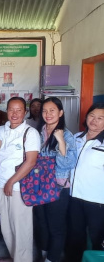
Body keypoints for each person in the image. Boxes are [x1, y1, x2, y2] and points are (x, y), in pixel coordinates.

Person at [0, 96, 40, 262]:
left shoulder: (30, 133)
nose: (15, 113)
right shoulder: (1, 130)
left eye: (19, 110)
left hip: (20, 187)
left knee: (21, 227)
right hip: (2, 185)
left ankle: (23, 259)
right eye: (11, 109)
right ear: (7, 110)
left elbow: (31, 162)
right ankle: (15, 257)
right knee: (7, 226)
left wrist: (11, 181)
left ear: (25, 112)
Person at [33, 97, 77, 262]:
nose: (48, 114)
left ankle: (52, 258)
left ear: (60, 112)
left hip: (58, 188)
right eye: (45, 110)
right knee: (41, 223)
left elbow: (68, 164)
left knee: (56, 227)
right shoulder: (37, 133)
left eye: (52, 110)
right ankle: (45, 253)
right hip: (38, 186)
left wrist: (61, 141)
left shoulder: (67, 135)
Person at [65, 102, 104, 262]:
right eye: (92, 116)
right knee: (75, 236)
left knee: (97, 239)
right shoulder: (76, 137)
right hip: (74, 197)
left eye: (100, 118)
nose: (94, 121)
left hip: (98, 201)